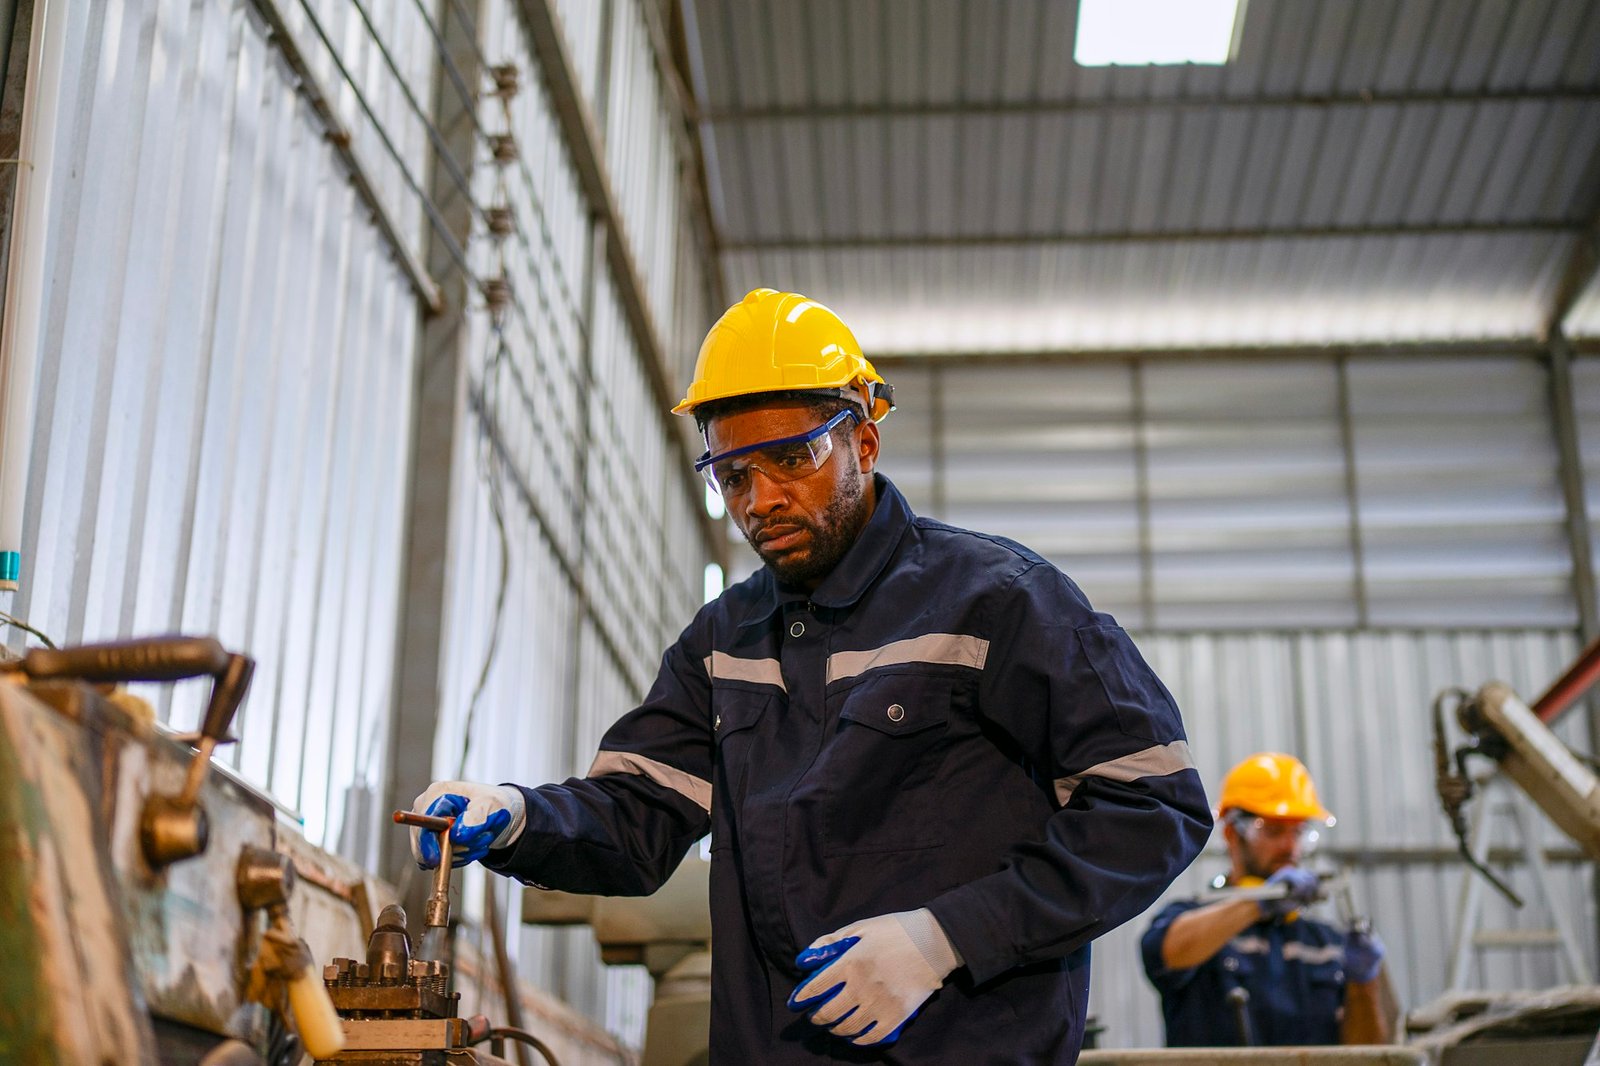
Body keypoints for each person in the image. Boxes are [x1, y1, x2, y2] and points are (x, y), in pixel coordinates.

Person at [410, 288, 1212, 1063]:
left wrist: (948, 938)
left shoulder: (998, 602)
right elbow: (637, 815)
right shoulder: (723, 640)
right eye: (732, 476)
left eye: (790, 459)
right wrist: (516, 816)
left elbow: (1151, 805)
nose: (761, 500)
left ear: (864, 440)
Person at [1140, 752, 1391, 1047]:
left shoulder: (1326, 945)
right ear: (1233, 834)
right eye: (1273, 831)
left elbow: (1365, 1056)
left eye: (1298, 832)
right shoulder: (1191, 921)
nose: (1290, 847)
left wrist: (1363, 984)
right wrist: (1257, 903)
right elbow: (1165, 953)